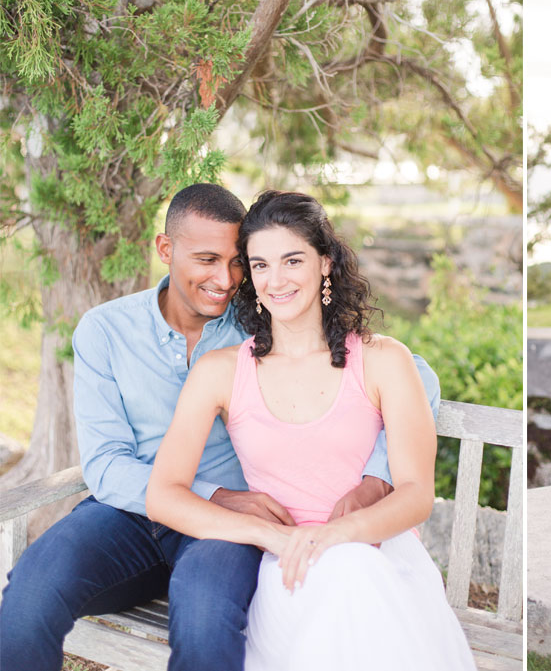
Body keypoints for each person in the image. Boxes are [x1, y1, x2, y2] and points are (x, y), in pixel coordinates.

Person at [0, 184, 441, 671]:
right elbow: (105, 466)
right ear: (166, 250)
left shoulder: (262, 319)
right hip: (134, 511)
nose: (226, 279)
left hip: (232, 533)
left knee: (205, 614)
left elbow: (413, 374)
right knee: (31, 590)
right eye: (207, 259)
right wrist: (216, 495)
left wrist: (375, 480)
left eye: (237, 262)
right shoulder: (106, 331)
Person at [146, 190, 476, 670]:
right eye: (259, 265)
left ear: (325, 263)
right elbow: (163, 495)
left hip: (379, 560)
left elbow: (415, 494)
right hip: (288, 572)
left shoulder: (384, 360)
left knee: (351, 568)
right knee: (341, 575)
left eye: (292, 260)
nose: (275, 280)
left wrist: (337, 536)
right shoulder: (220, 372)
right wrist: (272, 537)